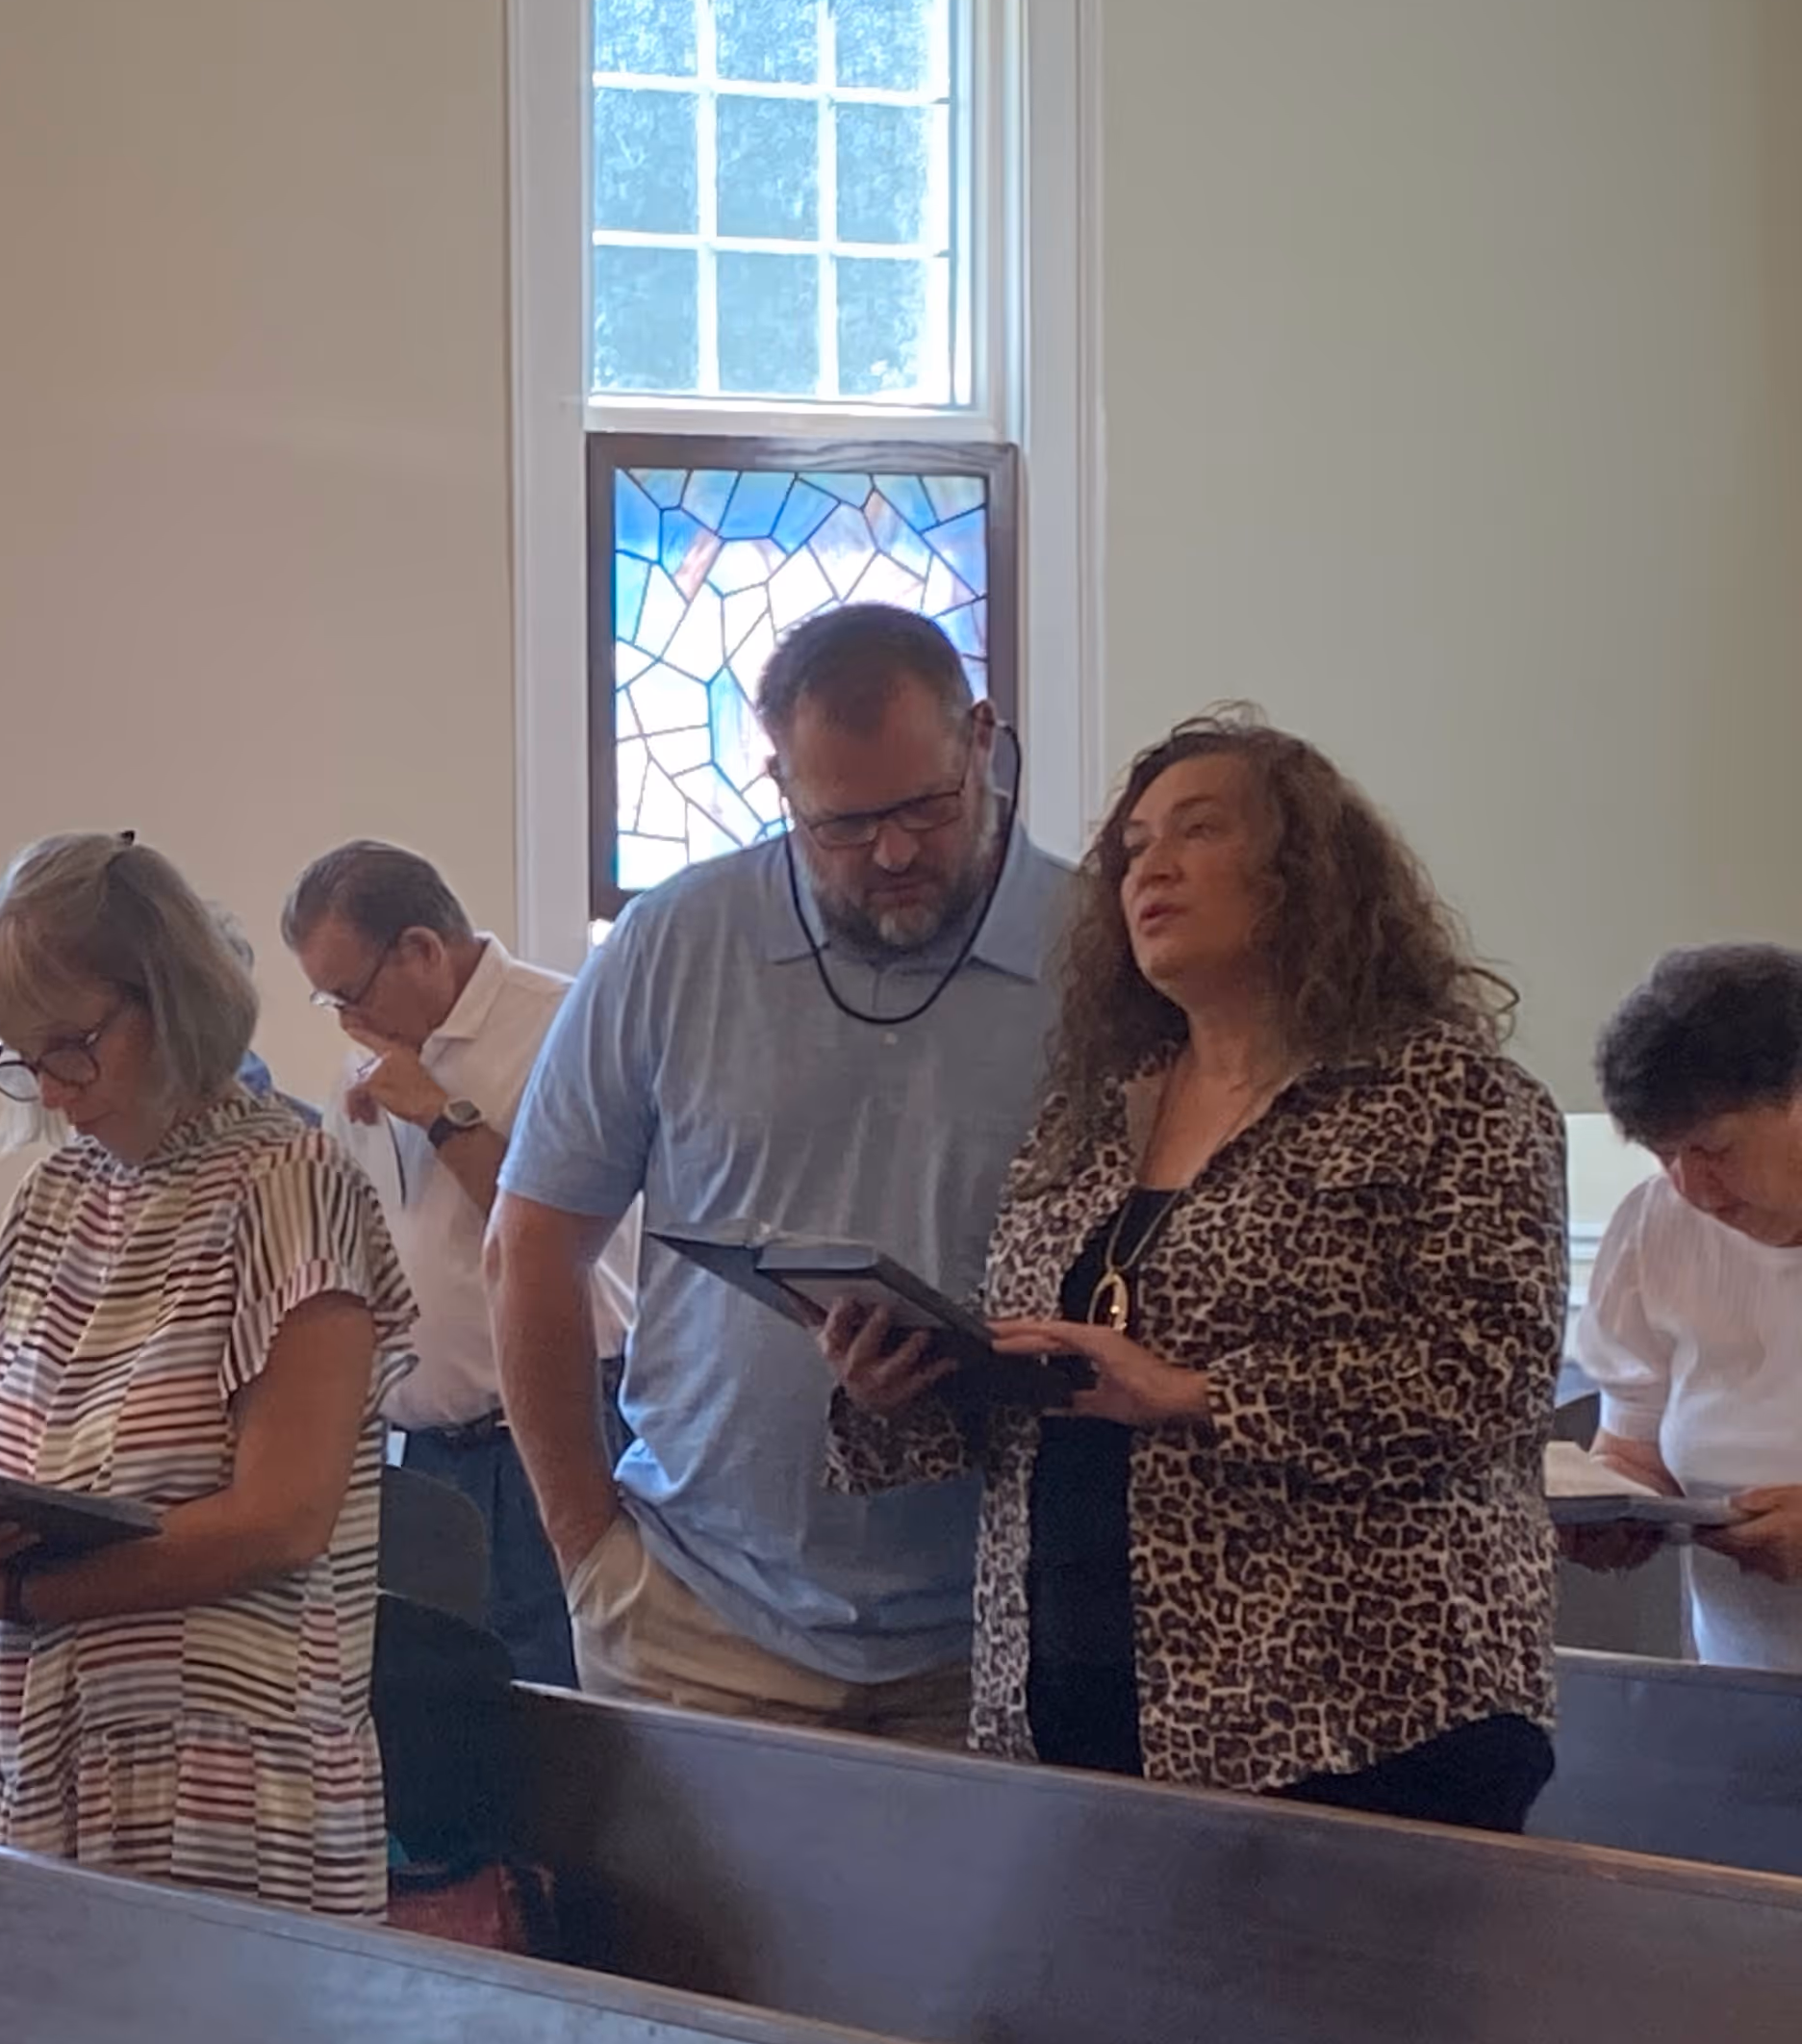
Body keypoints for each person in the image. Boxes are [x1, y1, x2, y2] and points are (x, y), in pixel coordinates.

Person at [824, 712, 1565, 1827]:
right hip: (1076, 1697)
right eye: (1131, 850)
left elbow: (1484, 1383)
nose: (1149, 868)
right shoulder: (1085, 1122)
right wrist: (904, 1390)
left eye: (1198, 833)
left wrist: (1196, 1395)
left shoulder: (1451, 1101)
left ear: (1304, 870)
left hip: (1365, 1716)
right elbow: (1047, 1391)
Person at [495, 602, 1066, 1739]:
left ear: (984, 739)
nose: (892, 853)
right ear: (779, 785)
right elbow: (530, 1245)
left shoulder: (1098, 950)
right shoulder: (679, 940)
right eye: (842, 825)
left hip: (1000, 1627)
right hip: (694, 1617)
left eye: (923, 807)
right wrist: (585, 1545)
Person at [0, 830, 413, 1919]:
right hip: (44, 1733)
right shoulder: (57, 1199)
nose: (56, 1092)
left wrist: (18, 1588)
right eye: (22, 1058)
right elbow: (17, 1468)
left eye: (71, 1047)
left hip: (225, 1778)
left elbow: (282, 1522)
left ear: (169, 997)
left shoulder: (288, 1183)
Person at [280, 839, 610, 1685]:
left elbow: (569, 1233)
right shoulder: (368, 1055)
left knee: (556, 1708)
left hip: (547, 1431)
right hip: (420, 1453)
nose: (348, 1024)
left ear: (422, 949)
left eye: (351, 994)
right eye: (331, 1003)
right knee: (436, 1712)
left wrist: (438, 1113)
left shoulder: (564, 1026)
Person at [1568, 944, 1802, 1669]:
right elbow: (1634, 1446)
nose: (1693, 1188)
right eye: (1665, 1157)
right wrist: (1614, 1508)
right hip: (1745, 1686)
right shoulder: (1658, 1226)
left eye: (1715, 1149)